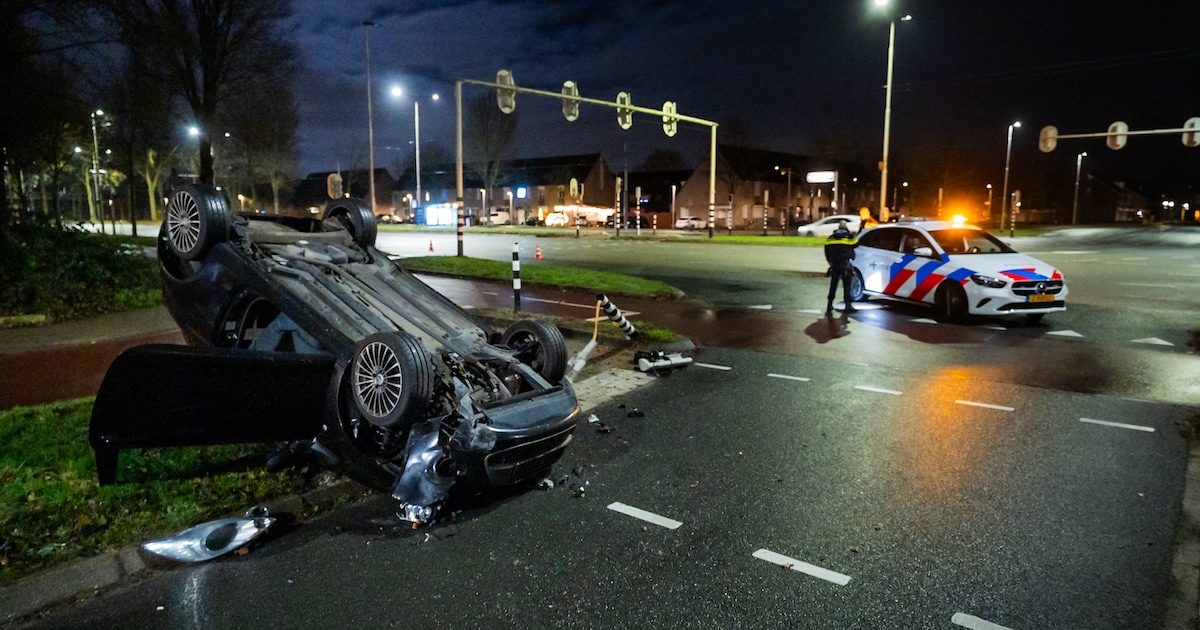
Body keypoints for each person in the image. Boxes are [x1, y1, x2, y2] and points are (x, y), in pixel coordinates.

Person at [824, 219, 858, 316]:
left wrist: (830, 262)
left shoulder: (831, 238)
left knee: (833, 286)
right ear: (845, 227)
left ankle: (829, 305)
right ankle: (848, 305)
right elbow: (856, 244)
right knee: (847, 285)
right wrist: (852, 234)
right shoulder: (849, 237)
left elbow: (827, 251)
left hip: (835, 265)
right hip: (845, 265)